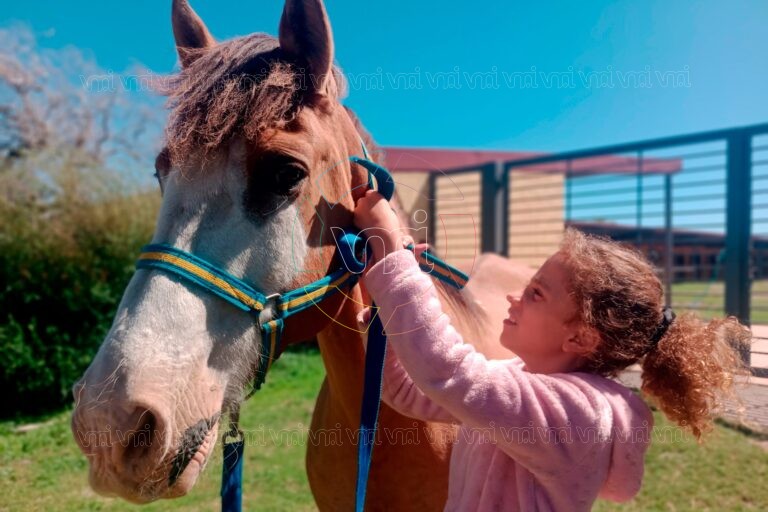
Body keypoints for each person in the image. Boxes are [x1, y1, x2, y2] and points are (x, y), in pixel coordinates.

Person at [352, 189, 750, 511]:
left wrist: (395, 260)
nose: (513, 296)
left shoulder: (579, 414)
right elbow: (410, 394)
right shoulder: (516, 377)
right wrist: (387, 312)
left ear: (580, 338)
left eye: (535, 293)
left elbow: (449, 373)